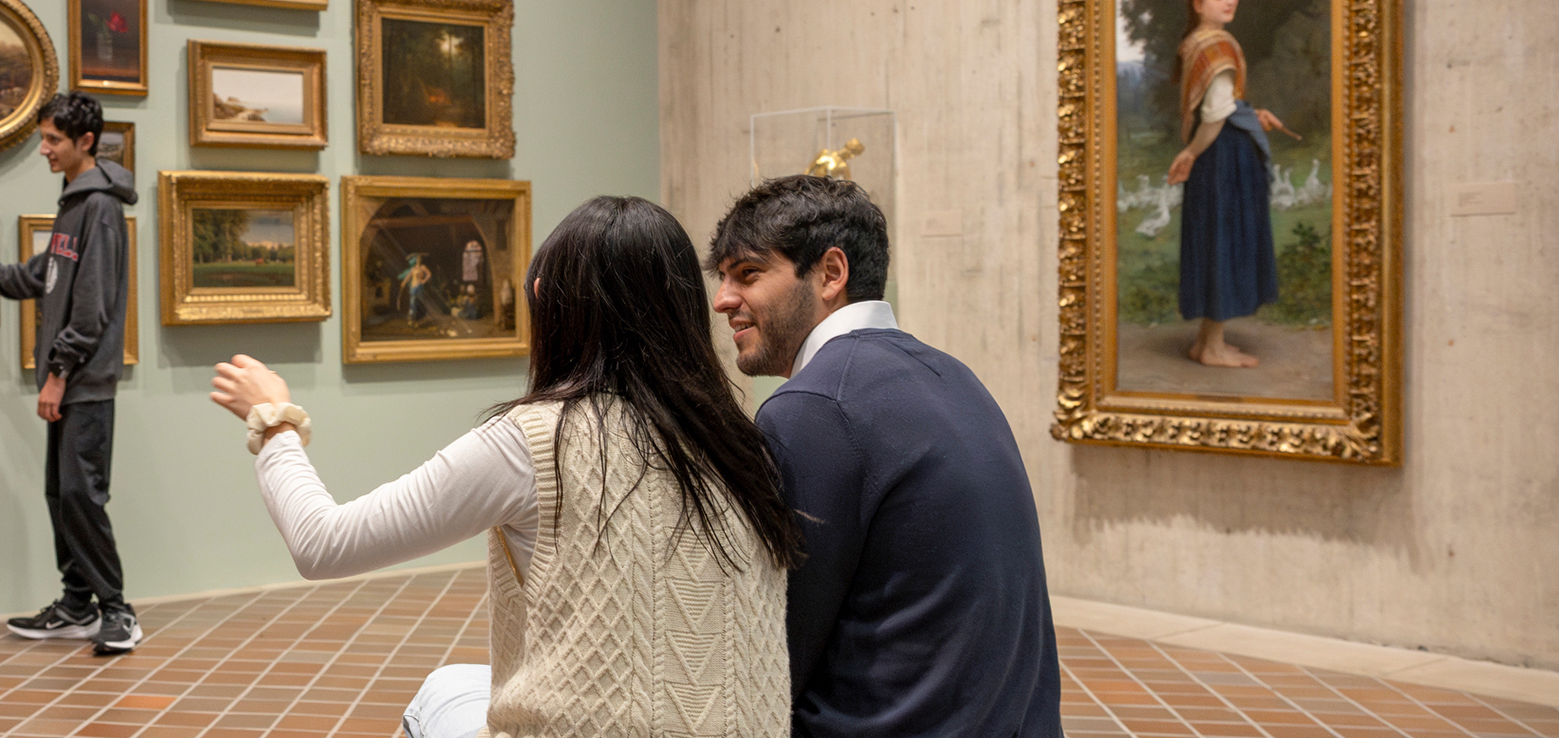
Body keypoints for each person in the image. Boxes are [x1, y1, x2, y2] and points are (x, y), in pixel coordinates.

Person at [210, 196, 804, 738]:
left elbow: (323, 543)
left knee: (441, 691)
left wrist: (273, 420)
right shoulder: (742, 443)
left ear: (546, 298)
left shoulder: (535, 439)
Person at [705, 175, 1061, 738]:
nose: (723, 299)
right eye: (722, 278)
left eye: (748, 274)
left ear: (830, 273)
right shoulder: (953, 374)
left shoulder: (812, 407)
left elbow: (776, 646)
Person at [0, 92, 143, 655]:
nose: (44, 150)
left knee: (81, 493)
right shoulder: (74, 203)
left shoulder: (98, 208)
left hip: (85, 381)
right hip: (70, 379)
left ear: (86, 143)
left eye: (53, 140)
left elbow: (92, 306)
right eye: (43, 139)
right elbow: (39, 278)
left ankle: (117, 610)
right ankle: (77, 602)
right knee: (61, 494)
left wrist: (58, 373)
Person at [1165, 0, 1293, 368]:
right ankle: (1214, 348)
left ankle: (1206, 342)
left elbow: (1225, 107)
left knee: (1215, 238)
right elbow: (1216, 115)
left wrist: (1253, 115)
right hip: (1222, 159)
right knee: (1222, 241)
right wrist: (1191, 153)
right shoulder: (1216, 46)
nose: (1230, 0)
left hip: (1218, 155)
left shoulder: (1199, 41)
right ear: (1199, 3)